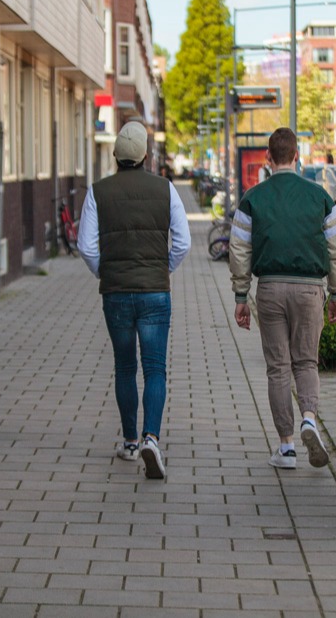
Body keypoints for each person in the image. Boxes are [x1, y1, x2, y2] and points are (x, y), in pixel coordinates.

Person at [229, 127, 336, 469]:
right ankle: (309, 418)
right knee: (306, 362)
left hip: (269, 288)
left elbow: (239, 249)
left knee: (278, 367)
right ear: (297, 156)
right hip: (310, 288)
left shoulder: (253, 198)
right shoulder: (320, 197)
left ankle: (286, 447)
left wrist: (241, 295)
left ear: (268, 158)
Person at [78, 121, 192, 479]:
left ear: (115, 155)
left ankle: (129, 442)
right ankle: (152, 439)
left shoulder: (98, 192)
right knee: (155, 368)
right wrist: (163, 269)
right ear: (146, 155)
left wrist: (106, 273)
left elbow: (85, 246)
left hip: (116, 294)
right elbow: (184, 242)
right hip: (156, 292)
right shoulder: (166, 190)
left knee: (125, 367)